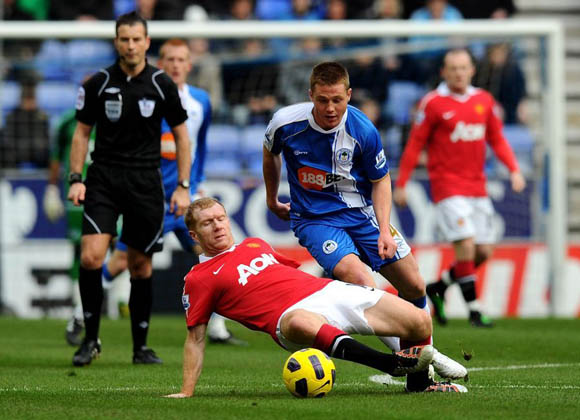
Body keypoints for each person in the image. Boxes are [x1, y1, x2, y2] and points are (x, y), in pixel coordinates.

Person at [262, 61, 467, 392]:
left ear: (349, 95)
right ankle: (422, 364)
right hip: (315, 220)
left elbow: (381, 180)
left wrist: (384, 229)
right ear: (310, 95)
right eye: (323, 100)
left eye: (337, 100)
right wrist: (272, 198)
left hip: (362, 215)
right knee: (359, 280)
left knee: (414, 284)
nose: (330, 108)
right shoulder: (286, 123)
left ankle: (419, 376)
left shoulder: (363, 130)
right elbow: (270, 152)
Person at [165, 198, 468, 398]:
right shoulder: (199, 278)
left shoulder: (255, 244)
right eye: (208, 223)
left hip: (326, 292)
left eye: (220, 218)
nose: (218, 225)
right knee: (300, 320)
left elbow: (289, 273)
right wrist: (187, 391)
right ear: (194, 235)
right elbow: (195, 338)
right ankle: (390, 364)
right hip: (287, 320)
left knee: (418, 319)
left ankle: (419, 385)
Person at [97, 38, 245, 346]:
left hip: (187, 197)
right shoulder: (144, 99)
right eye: (170, 60)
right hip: (151, 198)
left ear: (189, 65)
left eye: (181, 60)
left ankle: (218, 329)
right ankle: (79, 314)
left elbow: (200, 144)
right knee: (121, 261)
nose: (176, 65)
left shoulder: (201, 101)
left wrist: (194, 182)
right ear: (160, 64)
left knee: (216, 255)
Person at [67, 11, 191, 366]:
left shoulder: (162, 84)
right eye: (125, 39)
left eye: (137, 39)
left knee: (140, 266)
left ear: (147, 42)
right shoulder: (98, 83)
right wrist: (76, 179)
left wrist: (182, 186)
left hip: (145, 181)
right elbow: (81, 133)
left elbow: (182, 137)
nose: (131, 45)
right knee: (91, 257)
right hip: (104, 179)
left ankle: (140, 347)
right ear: (116, 42)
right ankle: (90, 340)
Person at [392, 48, 526, 327]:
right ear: (444, 72)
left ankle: (438, 287)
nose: (459, 73)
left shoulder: (484, 100)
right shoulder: (433, 103)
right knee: (465, 244)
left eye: (463, 68)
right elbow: (415, 144)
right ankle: (475, 310)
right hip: (447, 186)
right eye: (453, 68)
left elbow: (497, 139)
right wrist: (402, 183)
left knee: (483, 251)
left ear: (472, 70)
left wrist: (514, 170)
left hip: (477, 187)